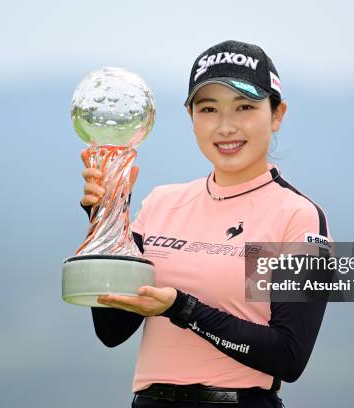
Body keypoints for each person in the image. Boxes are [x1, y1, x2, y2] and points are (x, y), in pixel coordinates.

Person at [80, 40, 332, 408]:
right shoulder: (161, 204)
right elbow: (112, 330)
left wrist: (182, 308)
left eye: (244, 107)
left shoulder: (297, 216)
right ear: (191, 117)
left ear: (277, 114)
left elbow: (288, 356)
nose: (226, 126)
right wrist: (107, 216)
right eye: (209, 109)